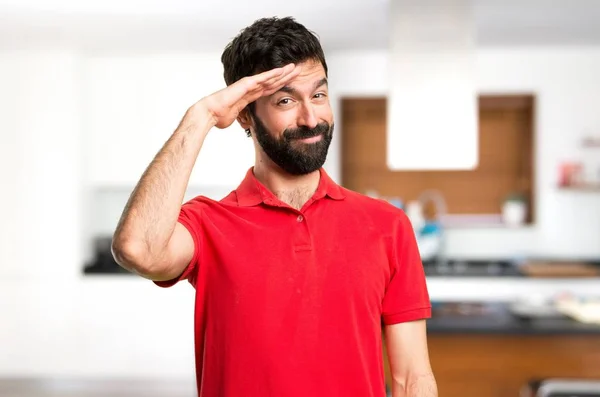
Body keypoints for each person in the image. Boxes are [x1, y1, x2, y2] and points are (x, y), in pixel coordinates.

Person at [111, 16, 437, 397]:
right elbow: (138, 249)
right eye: (286, 100)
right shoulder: (207, 224)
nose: (311, 117)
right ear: (246, 114)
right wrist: (201, 117)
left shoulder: (387, 225)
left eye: (318, 95)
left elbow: (412, 378)